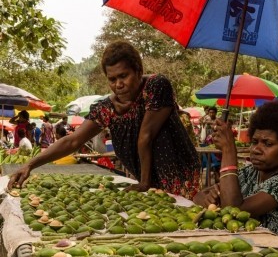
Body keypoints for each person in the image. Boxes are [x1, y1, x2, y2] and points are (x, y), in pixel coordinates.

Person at [8, 40, 201, 200]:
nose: (118, 84)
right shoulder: (106, 108)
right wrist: (30, 165)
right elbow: (72, 140)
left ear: (138, 70)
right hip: (147, 182)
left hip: (178, 174)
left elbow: (146, 136)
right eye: (112, 79)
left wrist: (143, 183)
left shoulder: (156, 86)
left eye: (124, 76)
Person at [194, 100, 278, 248]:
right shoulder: (250, 172)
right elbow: (198, 196)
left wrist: (228, 151)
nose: (256, 149)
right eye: (254, 142)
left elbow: (233, 209)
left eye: (268, 144)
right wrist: (210, 198)